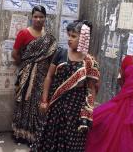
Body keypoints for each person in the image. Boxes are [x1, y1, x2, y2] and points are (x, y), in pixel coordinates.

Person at [35, 20, 100, 151]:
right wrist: (44, 100)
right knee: (51, 135)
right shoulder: (60, 53)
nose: (69, 39)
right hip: (56, 104)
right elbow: (49, 76)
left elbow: (92, 87)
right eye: (69, 35)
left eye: (74, 36)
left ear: (83, 38)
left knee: (72, 139)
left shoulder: (89, 61)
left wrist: (89, 109)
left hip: (75, 107)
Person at [11, 5, 57, 146]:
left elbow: (51, 58)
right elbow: (15, 54)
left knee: (38, 104)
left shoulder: (48, 37)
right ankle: (20, 134)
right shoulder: (23, 34)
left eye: (41, 17)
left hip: (42, 77)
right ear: (32, 17)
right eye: (35, 16)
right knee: (23, 103)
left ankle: (34, 135)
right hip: (26, 76)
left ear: (45, 18)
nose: (38, 19)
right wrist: (27, 65)